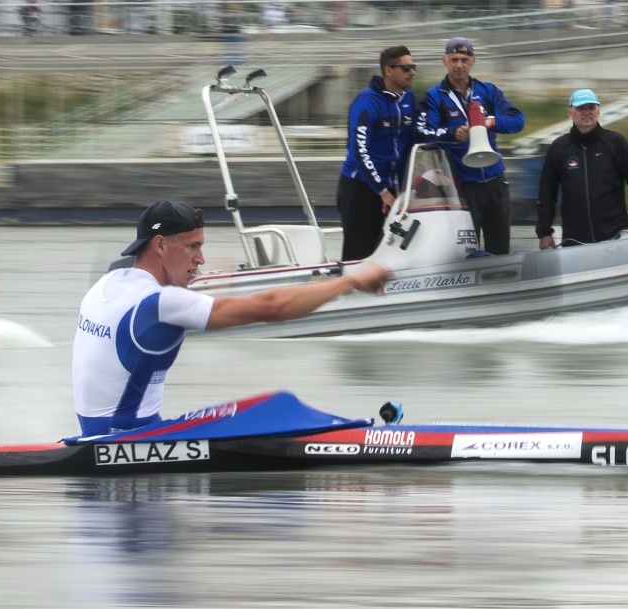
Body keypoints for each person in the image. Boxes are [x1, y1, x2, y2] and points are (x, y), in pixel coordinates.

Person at [72, 200, 389, 436]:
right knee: (277, 407)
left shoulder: (111, 282)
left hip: (106, 436)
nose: (201, 259)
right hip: (127, 441)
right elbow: (271, 308)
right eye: (192, 247)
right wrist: (350, 281)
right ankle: (359, 435)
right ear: (159, 245)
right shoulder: (162, 302)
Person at [416, 37, 525, 255]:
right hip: (462, 187)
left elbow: (518, 120)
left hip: (495, 181)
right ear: (444, 60)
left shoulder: (488, 91)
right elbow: (422, 134)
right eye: (454, 59)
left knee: (500, 249)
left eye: (464, 59)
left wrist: (492, 123)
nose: (459, 65)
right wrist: (452, 133)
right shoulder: (435, 96)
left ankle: (499, 286)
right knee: (466, 252)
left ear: (473, 61)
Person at [536, 89, 628, 249]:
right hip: (574, 240)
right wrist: (544, 232)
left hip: (615, 237)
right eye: (581, 108)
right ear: (570, 112)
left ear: (598, 111)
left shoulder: (615, 143)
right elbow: (546, 193)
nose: (586, 112)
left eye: (591, 108)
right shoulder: (559, 148)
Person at [336, 45, 417, 261]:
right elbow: (359, 152)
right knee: (358, 256)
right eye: (406, 68)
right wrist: (383, 191)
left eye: (413, 67)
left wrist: (402, 189)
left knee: (385, 253)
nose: (412, 72)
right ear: (389, 70)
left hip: (388, 187)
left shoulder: (409, 100)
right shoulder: (367, 102)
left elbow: (410, 146)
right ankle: (350, 289)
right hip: (360, 188)